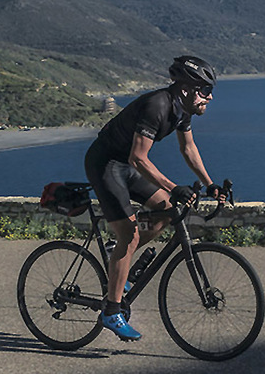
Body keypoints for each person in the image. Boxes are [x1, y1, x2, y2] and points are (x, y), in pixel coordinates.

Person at [84, 55, 225, 341]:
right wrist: (174, 186)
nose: (209, 98)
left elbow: (189, 149)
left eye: (211, 92)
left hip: (126, 165)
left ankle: (117, 254)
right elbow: (138, 157)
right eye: (204, 91)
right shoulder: (157, 106)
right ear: (186, 88)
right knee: (130, 234)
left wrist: (209, 184)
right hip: (106, 164)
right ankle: (111, 311)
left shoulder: (183, 110)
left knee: (167, 211)